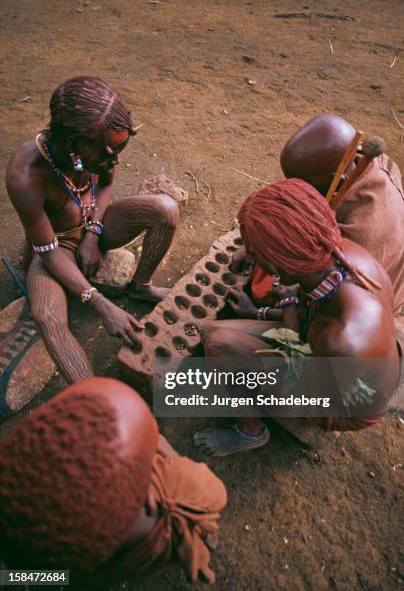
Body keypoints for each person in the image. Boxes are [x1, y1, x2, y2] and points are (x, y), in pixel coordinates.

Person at [193, 180, 400, 457]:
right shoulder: (333, 256)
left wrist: (288, 306)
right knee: (210, 333)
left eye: (256, 252)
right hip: (322, 354)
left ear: (280, 265)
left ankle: (251, 432)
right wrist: (257, 312)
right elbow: (310, 317)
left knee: (220, 347)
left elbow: (303, 381)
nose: (251, 256)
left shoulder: (344, 339)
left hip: (343, 401)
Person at [6, 76, 179, 383]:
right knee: (46, 316)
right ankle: (95, 399)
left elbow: (107, 185)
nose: (115, 159)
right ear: (73, 143)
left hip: (94, 226)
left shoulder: (99, 148)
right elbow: (47, 251)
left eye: (119, 149)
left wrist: (93, 233)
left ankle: (141, 286)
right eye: (108, 152)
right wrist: (100, 303)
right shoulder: (25, 174)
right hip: (56, 247)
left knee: (165, 209)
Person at [0, 377, 227, 584]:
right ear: (146, 497)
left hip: (62, 570)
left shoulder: (21, 531)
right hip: (141, 549)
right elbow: (212, 490)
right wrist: (161, 449)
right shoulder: (163, 510)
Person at [234, 114, 404, 314]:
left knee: (263, 289)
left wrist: (257, 313)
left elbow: (324, 307)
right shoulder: (359, 159)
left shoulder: (358, 233)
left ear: (336, 178)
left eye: (303, 183)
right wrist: (251, 246)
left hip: (362, 299)